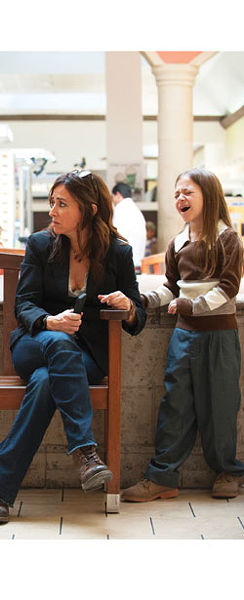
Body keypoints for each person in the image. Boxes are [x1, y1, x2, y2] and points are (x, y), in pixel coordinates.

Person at [0, 170, 146, 524]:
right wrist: (50, 322)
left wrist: (127, 307)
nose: (52, 210)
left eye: (61, 203)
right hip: (34, 342)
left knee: (45, 382)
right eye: (51, 202)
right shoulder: (40, 244)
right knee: (57, 343)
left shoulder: (118, 252)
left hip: (87, 357)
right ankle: (84, 451)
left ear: (89, 209)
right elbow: (23, 305)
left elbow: (138, 316)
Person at [122, 168, 244, 503]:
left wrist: (193, 306)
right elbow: (170, 288)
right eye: (176, 193)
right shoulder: (177, 243)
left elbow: (229, 288)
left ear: (209, 195)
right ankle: (162, 477)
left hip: (218, 336)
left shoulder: (227, 239)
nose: (180, 199)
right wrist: (144, 300)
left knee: (220, 404)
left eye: (187, 192)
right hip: (183, 337)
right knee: (174, 405)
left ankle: (228, 471)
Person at [111, 182, 147, 272]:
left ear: (118, 195)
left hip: (126, 266)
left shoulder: (120, 209)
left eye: (113, 197)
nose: (113, 201)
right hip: (137, 264)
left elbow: (117, 236)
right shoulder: (136, 210)